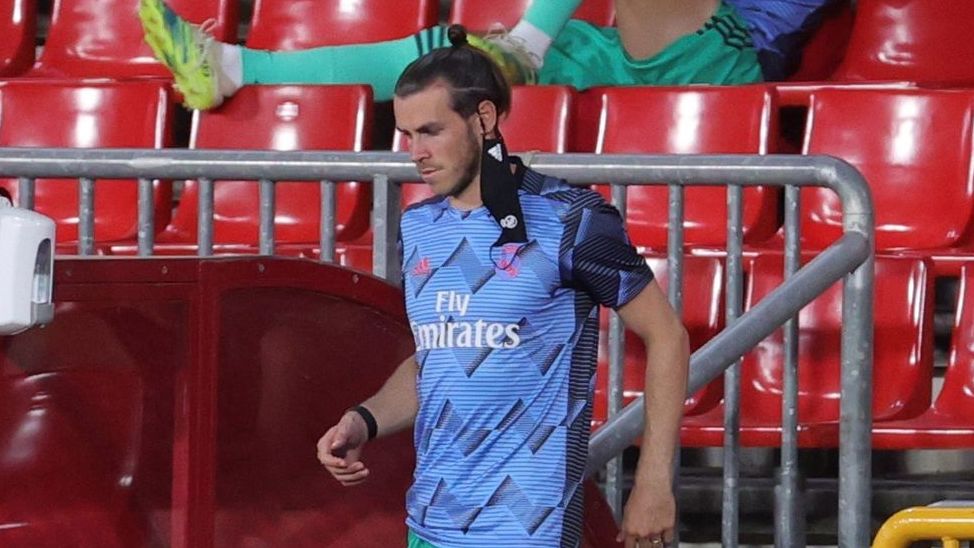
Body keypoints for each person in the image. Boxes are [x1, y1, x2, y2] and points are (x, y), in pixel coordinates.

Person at [313, 26, 689, 548]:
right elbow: (437, 359)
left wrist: (652, 482)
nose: (416, 153)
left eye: (431, 131)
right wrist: (365, 420)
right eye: (407, 135)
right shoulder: (419, 226)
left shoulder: (572, 219)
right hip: (428, 523)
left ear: (484, 118)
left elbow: (667, 336)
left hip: (527, 528)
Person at [138, 0, 843, 110]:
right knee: (451, 57)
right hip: (613, 48)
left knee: (502, 55)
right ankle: (236, 68)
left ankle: (523, 48)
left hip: (723, 57)